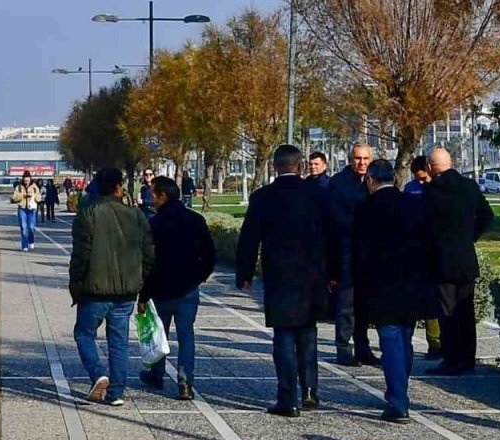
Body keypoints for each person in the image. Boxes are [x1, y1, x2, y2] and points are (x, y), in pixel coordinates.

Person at [236, 145, 333, 417]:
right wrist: (333, 272)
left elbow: (249, 237)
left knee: (283, 335)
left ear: (275, 166)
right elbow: (331, 235)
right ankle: (311, 390)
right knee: (308, 333)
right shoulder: (317, 194)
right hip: (312, 275)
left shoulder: (263, 197)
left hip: (280, 275)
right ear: (300, 166)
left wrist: (244, 273)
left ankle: (287, 397)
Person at [352, 160, 437, 422]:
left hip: (381, 285)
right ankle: (401, 389)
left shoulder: (365, 209)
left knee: (390, 340)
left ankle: (398, 399)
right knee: (405, 338)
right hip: (412, 282)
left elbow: (359, 253)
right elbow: (429, 243)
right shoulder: (414, 204)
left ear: (370, 180)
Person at [69, 168, 155, 407]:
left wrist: (75, 283)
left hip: (94, 290)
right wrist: (141, 281)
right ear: (119, 187)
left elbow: (80, 255)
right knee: (119, 341)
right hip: (126, 291)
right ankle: (116, 392)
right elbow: (149, 253)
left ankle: (98, 373)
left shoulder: (88, 214)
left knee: (84, 334)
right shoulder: (136, 215)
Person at [138, 176, 216, 400]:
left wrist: (143, 295)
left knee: (158, 334)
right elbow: (210, 255)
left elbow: (147, 262)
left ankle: (157, 374)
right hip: (188, 289)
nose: (151, 199)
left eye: (153, 194)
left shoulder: (154, 224)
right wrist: (198, 278)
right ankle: (185, 383)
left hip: (160, 289)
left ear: (163, 196)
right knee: (186, 336)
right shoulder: (195, 220)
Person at [423, 147, 495, 375]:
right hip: (465, 257)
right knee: (465, 310)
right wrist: (470, 236)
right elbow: (487, 215)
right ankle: (467, 358)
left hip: (441, 259)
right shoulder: (469, 186)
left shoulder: (431, 191)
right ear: (451, 162)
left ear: (429, 167)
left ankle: (451, 359)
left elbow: (423, 226)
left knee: (447, 311)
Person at [327, 143, 378, 367]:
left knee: (365, 303)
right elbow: (335, 219)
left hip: (369, 252)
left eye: (366, 159)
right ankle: (343, 348)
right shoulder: (338, 183)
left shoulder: (374, 181)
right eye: (358, 158)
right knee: (346, 304)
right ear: (350, 159)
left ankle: (363, 347)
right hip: (347, 250)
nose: (362, 163)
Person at [402, 155, 442, 360]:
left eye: (424, 178)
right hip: (414, 250)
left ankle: (435, 344)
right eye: (418, 179)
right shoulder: (409, 190)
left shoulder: (437, 191)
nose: (421, 182)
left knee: (433, 302)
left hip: (433, 251)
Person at [11, 171, 42, 251]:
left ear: (30, 179)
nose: (26, 182)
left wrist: (34, 196)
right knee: (23, 227)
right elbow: (14, 197)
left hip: (32, 210)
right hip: (22, 209)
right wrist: (23, 195)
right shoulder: (19, 187)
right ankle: (24, 245)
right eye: (25, 181)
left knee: (31, 227)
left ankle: (31, 240)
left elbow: (39, 197)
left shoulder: (34, 187)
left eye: (28, 181)